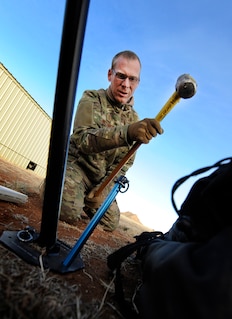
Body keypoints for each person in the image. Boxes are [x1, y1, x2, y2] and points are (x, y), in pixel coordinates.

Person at [59, 50, 163, 231]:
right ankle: (58, 186)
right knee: (65, 211)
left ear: (138, 82)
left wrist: (104, 189)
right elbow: (82, 139)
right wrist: (127, 133)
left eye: (133, 79)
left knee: (109, 223)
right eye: (121, 76)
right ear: (110, 74)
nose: (126, 84)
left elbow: (124, 163)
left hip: (100, 181)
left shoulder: (135, 119)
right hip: (77, 168)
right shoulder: (91, 98)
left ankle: (83, 197)